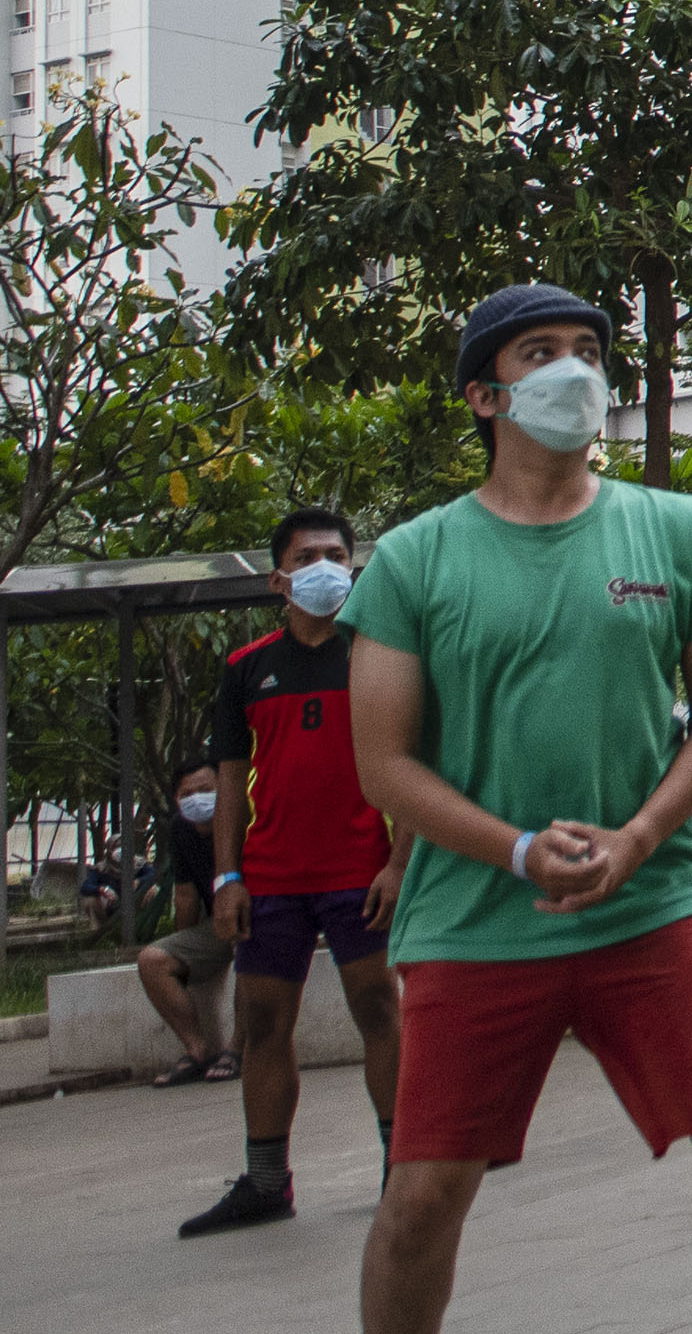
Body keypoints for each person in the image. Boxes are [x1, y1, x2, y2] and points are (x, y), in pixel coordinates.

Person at [343, 282, 692, 1334]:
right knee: (422, 1195)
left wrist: (635, 839)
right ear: (485, 396)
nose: (575, 369)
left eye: (589, 347)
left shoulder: (671, 529)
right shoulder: (412, 559)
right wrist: (520, 848)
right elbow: (385, 764)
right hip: (476, 919)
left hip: (653, 899)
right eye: (541, 351)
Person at [180, 506, 409, 1235]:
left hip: (361, 871)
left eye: (337, 553)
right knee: (264, 1020)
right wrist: (227, 877)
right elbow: (229, 773)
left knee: (379, 1010)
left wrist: (400, 862)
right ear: (279, 575)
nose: (326, 565)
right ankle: (266, 1182)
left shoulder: (383, 653)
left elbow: (411, 765)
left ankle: (402, 1172)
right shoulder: (246, 668)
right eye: (309, 554)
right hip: (271, 878)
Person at [131, 759, 235, 1088]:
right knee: (152, 960)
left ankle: (237, 1049)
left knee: (253, 948)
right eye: (187, 793)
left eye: (205, 790)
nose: (196, 798)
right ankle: (197, 1050)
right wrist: (186, 949)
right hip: (218, 923)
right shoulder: (180, 829)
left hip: (263, 916)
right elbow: (186, 896)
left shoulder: (245, 819)